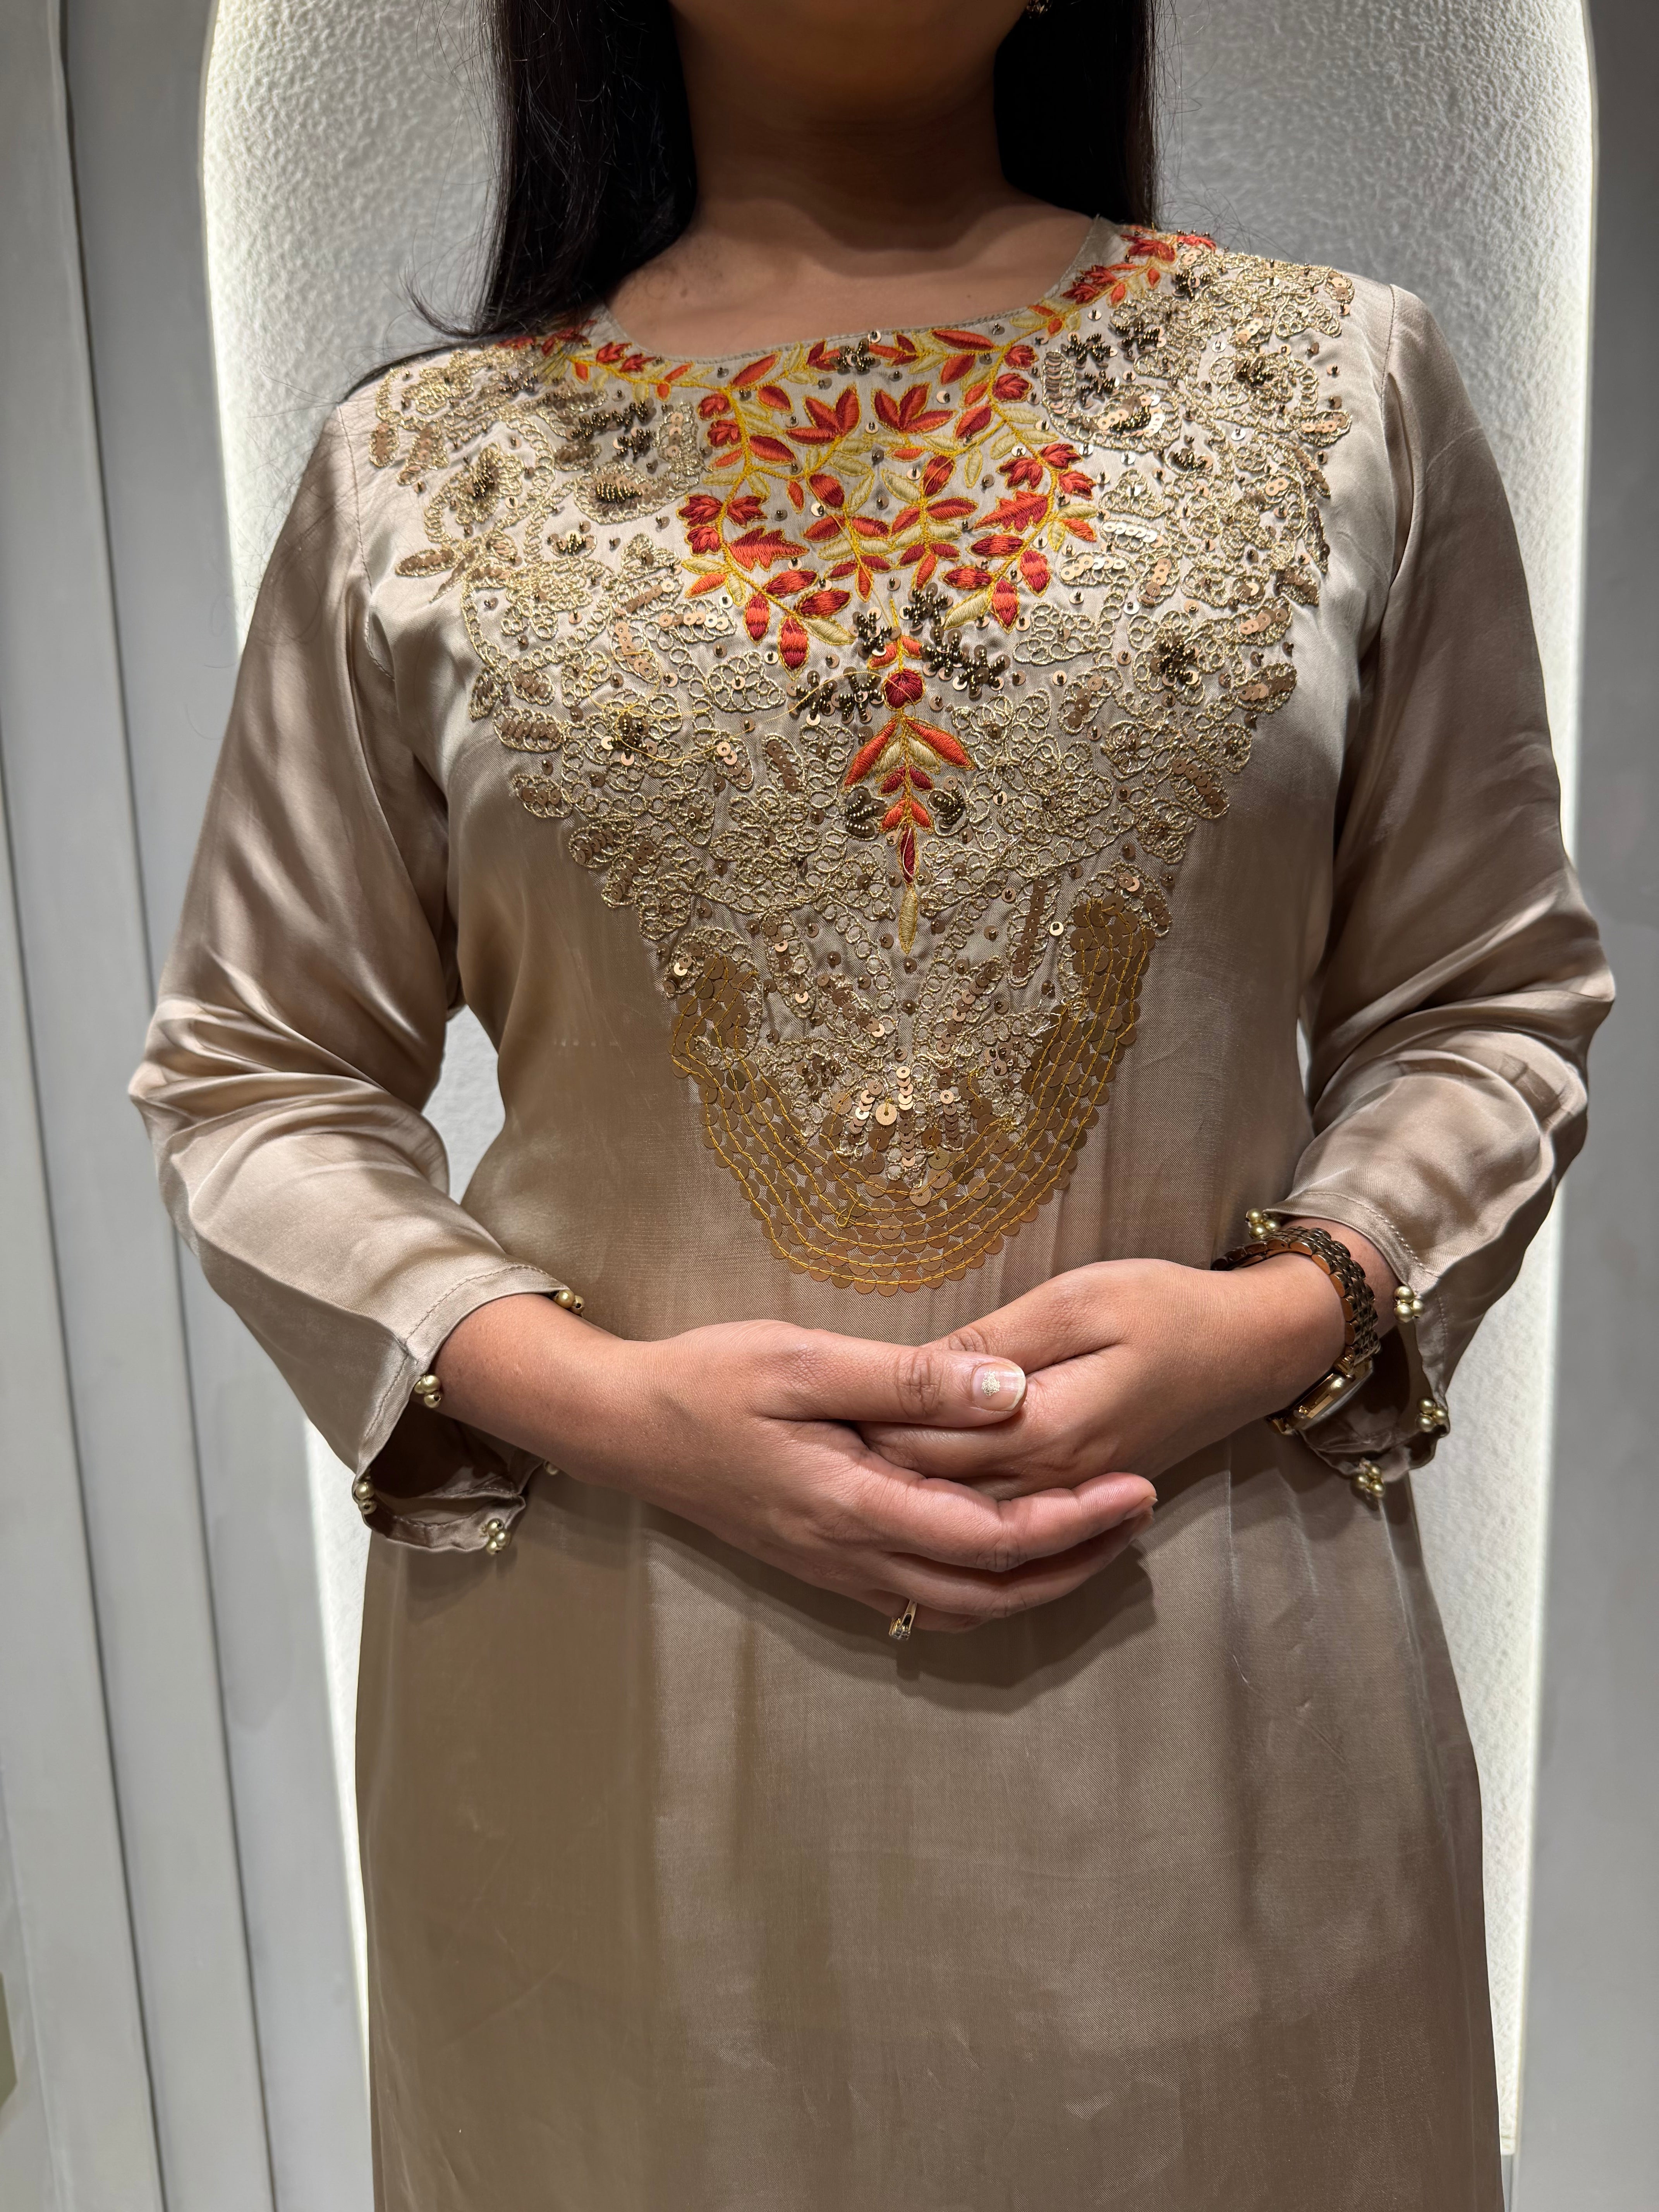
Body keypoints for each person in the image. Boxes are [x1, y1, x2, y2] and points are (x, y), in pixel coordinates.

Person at [132, 0, 1611, 2203]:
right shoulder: (419, 479)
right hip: (623, 1723)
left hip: (1203, 1685)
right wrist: (612, 1405)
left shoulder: (1344, 392)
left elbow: (1487, 998)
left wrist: (1280, 1317)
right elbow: (258, 1079)